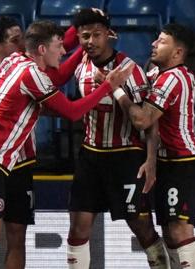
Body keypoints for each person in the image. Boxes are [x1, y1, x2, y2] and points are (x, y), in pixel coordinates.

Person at [0, 20, 134, 269]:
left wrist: (76, 33)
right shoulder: (32, 74)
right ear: (42, 50)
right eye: (59, 46)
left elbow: (48, 96)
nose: (62, 51)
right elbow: (71, 112)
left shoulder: (13, 62)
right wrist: (108, 86)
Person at [0, 16, 83, 269]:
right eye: (15, 39)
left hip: (18, 161)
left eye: (23, 38)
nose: (21, 42)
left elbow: (52, 55)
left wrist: (81, 32)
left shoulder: (20, 64)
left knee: (15, 234)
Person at [66, 9, 169, 269]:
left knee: (141, 225)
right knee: (78, 227)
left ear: (109, 35)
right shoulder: (80, 68)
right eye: (85, 36)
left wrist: (150, 161)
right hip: (90, 156)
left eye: (96, 35)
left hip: (125, 157)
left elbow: (149, 121)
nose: (90, 41)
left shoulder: (131, 70)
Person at [115, 23, 195, 268]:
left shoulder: (172, 79)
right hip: (168, 161)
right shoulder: (159, 76)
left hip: (184, 162)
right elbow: (152, 125)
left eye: (162, 41)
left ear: (177, 52)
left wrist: (116, 91)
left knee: (180, 231)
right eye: (156, 39)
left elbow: (142, 119)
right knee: (169, 232)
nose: (154, 44)